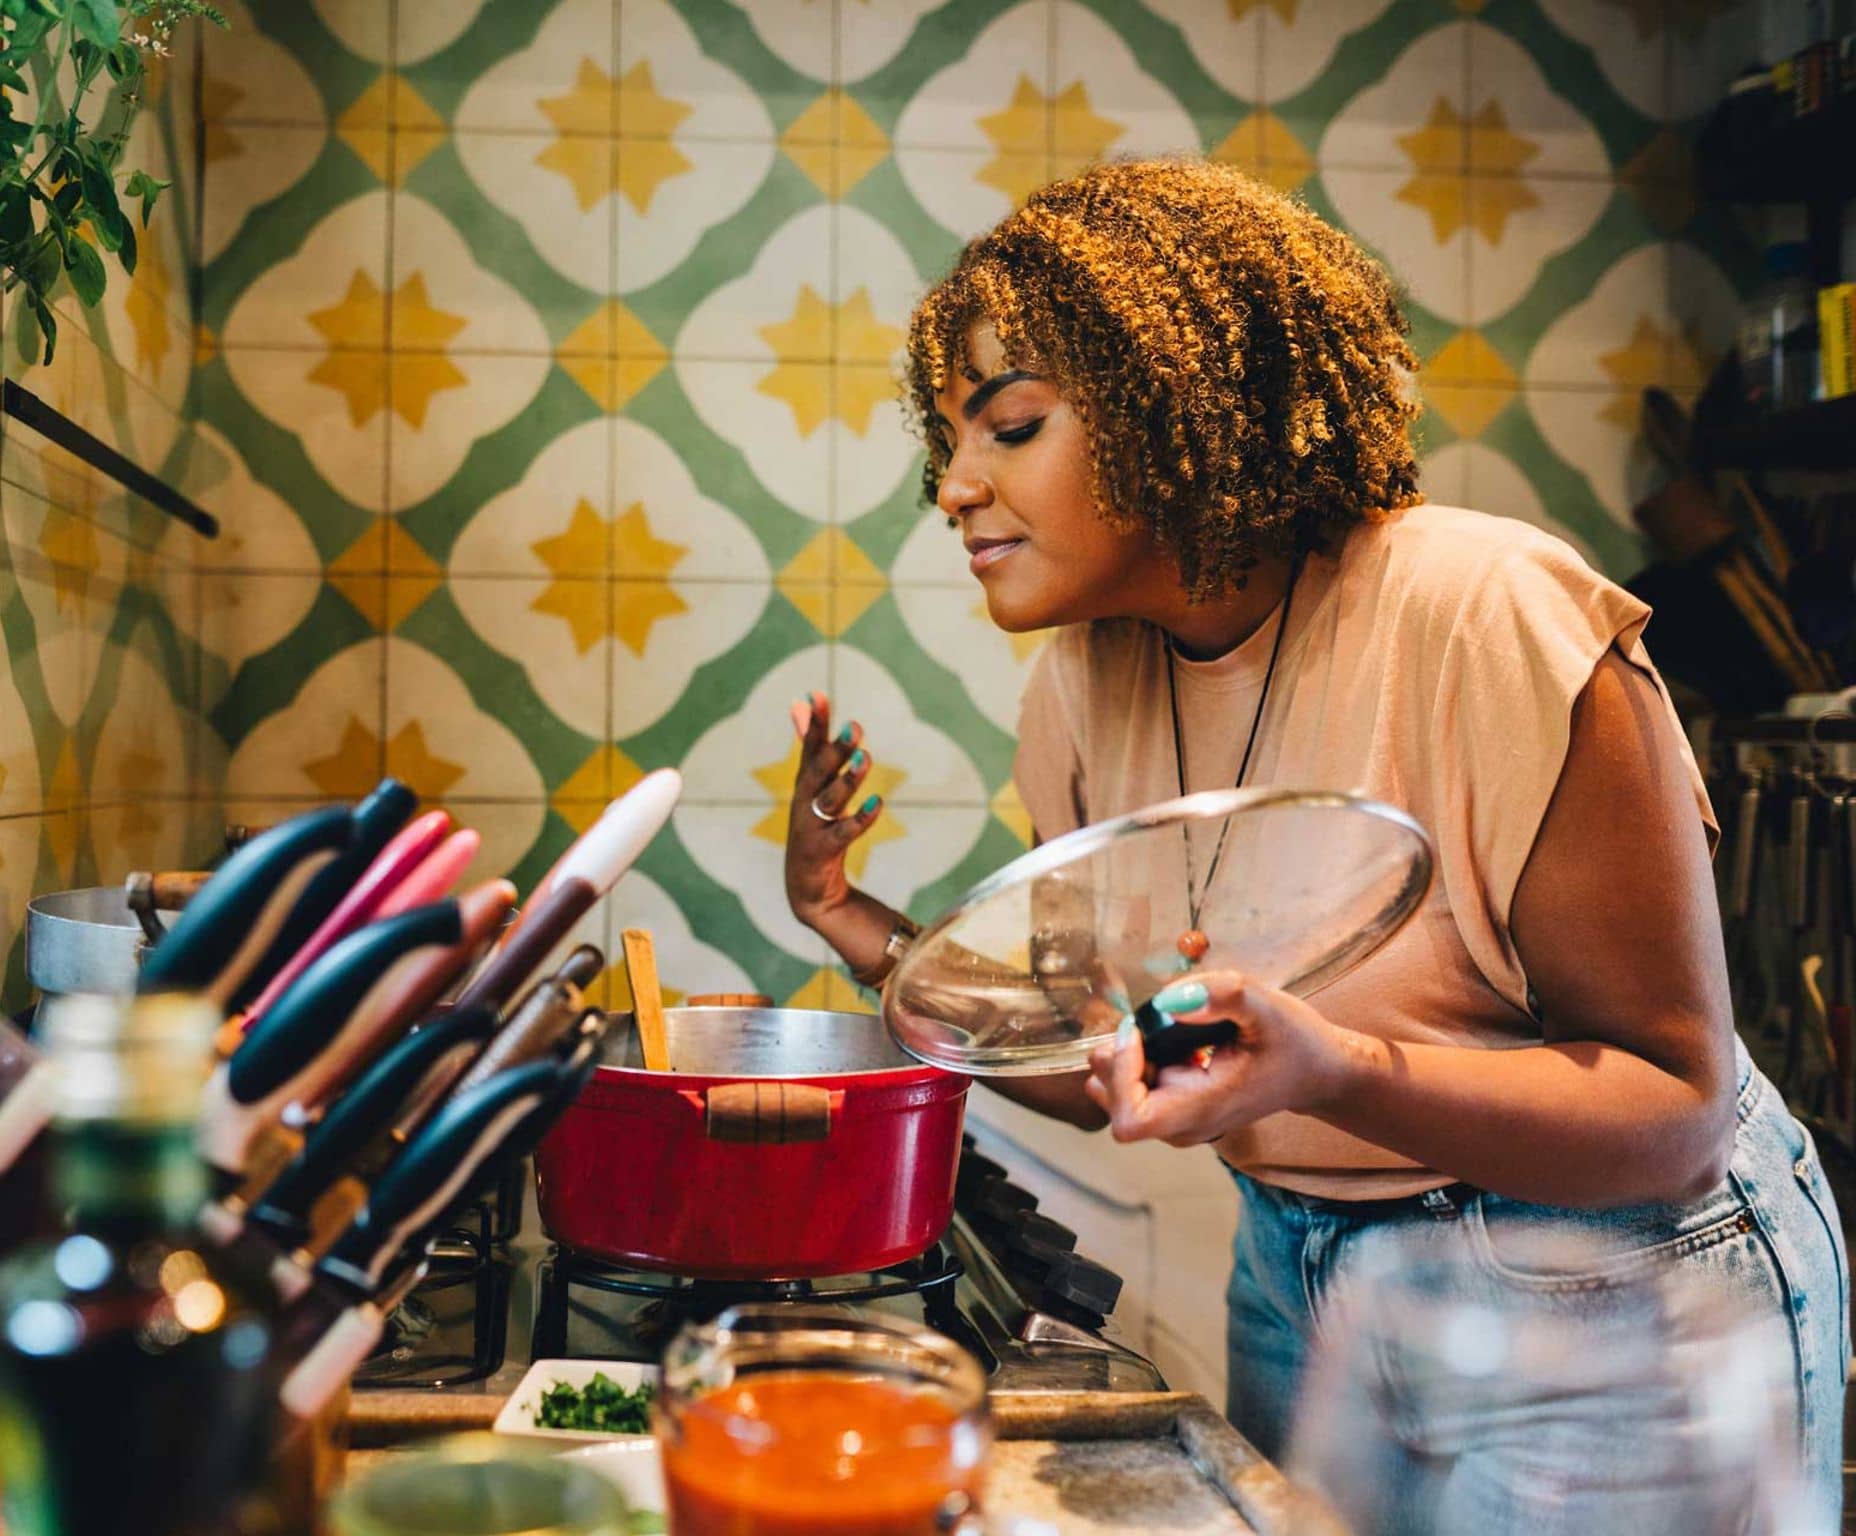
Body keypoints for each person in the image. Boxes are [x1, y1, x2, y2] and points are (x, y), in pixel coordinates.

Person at [781, 158, 1848, 1527]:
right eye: (951, 442)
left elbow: (1672, 1116)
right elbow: (1112, 1044)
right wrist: (843, 911)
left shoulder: (1488, 615)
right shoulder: (1077, 687)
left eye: (1014, 426)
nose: (956, 489)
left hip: (1607, 1274)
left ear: (1182, 407)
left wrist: (1328, 1067)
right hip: (1300, 1265)